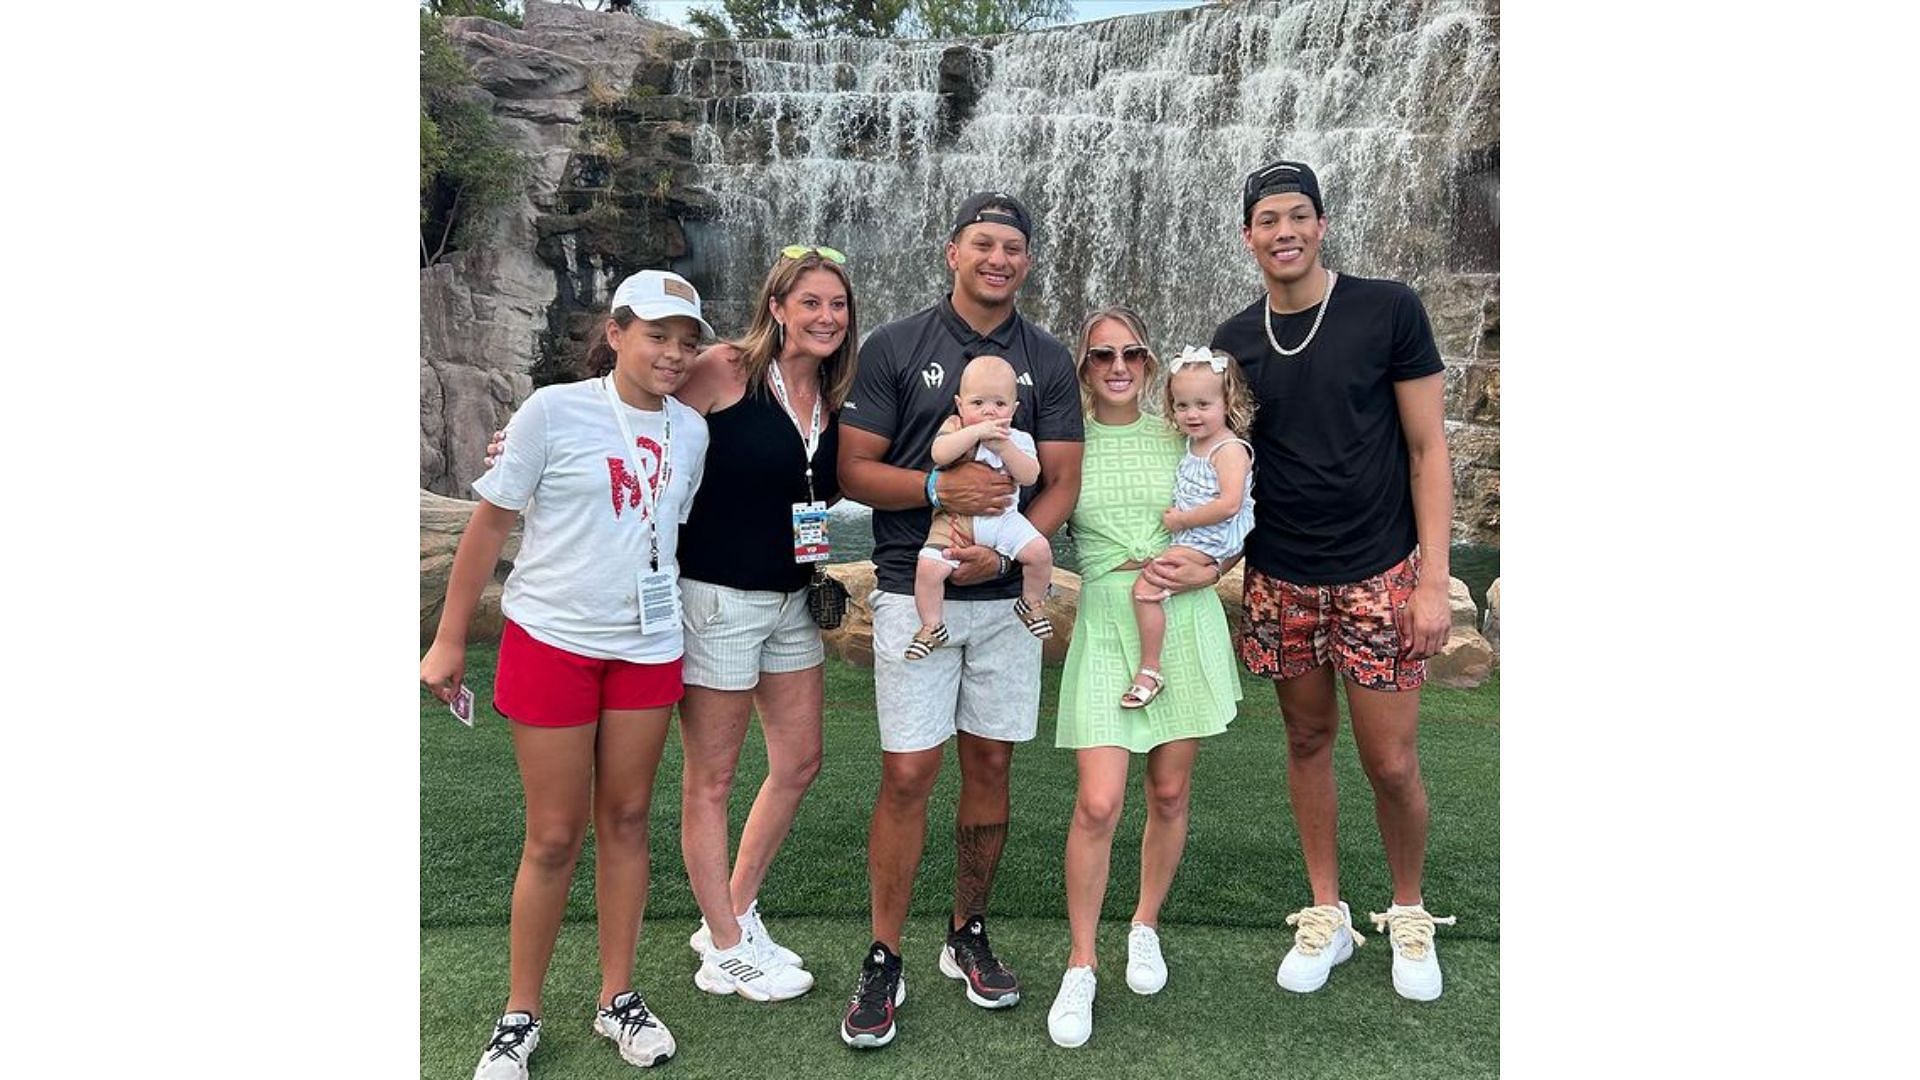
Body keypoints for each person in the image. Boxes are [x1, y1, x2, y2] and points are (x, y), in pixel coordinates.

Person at [485, 248, 857, 1005]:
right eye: (810, 302)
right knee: (712, 778)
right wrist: (513, 443)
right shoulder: (720, 367)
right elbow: (624, 409)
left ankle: (736, 908)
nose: (825, 317)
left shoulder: (836, 394)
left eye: (838, 306)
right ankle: (723, 945)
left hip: (793, 595)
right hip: (715, 597)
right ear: (777, 306)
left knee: (800, 761)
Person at [421, 270, 714, 1078]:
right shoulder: (552, 410)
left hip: (648, 648)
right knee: (553, 835)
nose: (673, 353)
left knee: (625, 820)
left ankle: (617, 996)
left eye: (686, 341)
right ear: (615, 333)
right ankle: (520, 1013)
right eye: (656, 335)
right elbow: (487, 530)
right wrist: (448, 642)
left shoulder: (692, 431)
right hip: (552, 640)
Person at [834, 191, 1084, 1049]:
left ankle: (966, 930)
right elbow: (855, 472)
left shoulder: (1046, 359)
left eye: (1013, 246)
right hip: (916, 589)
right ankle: (883, 954)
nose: (998, 259)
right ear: (953, 251)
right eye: (983, 243)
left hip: (1004, 601)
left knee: (990, 766)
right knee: (908, 774)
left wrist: (1013, 556)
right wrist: (940, 489)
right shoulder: (898, 346)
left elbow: (1060, 482)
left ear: (1026, 259)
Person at [1213, 159, 1458, 1002]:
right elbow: (1217, 462)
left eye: (1297, 216)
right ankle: (1328, 912)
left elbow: (1428, 452)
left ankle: (1409, 908)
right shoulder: (1233, 342)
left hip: (1379, 572)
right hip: (1282, 578)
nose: (1283, 232)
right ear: (1248, 237)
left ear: (1320, 224)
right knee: (1308, 744)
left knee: (1391, 761)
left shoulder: (1387, 308)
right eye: (1266, 220)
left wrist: (1434, 581)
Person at [1043, 310, 1243, 1049]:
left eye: (1131, 352)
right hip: (1104, 621)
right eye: (1102, 355)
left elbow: (1236, 509)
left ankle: (1145, 923)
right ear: (1085, 365)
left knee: (1168, 791)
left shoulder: (1184, 431)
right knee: (1098, 803)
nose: (1118, 365)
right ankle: (1081, 961)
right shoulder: (1067, 441)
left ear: (1150, 361)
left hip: (1179, 618)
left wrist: (1217, 567)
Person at [1120, 345, 1256, 709]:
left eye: (1203, 405)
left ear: (1228, 403)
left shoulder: (1229, 449)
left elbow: (1229, 504)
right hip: (1196, 537)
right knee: (1163, 578)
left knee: (1145, 587)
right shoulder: (1194, 444)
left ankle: (1150, 669)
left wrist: (1181, 520)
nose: (1191, 415)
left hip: (1210, 537)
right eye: (1182, 406)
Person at [908, 353, 1056, 659]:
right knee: (928, 568)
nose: (989, 412)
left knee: (1040, 552)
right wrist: (973, 433)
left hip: (1003, 520)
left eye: (999, 405)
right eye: (978, 404)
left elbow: (1030, 476)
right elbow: (940, 454)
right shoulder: (955, 428)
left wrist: (1005, 447)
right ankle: (932, 625)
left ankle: (1031, 602)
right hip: (954, 521)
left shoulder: (1018, 438)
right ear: (960, 406)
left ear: (1013, 409)